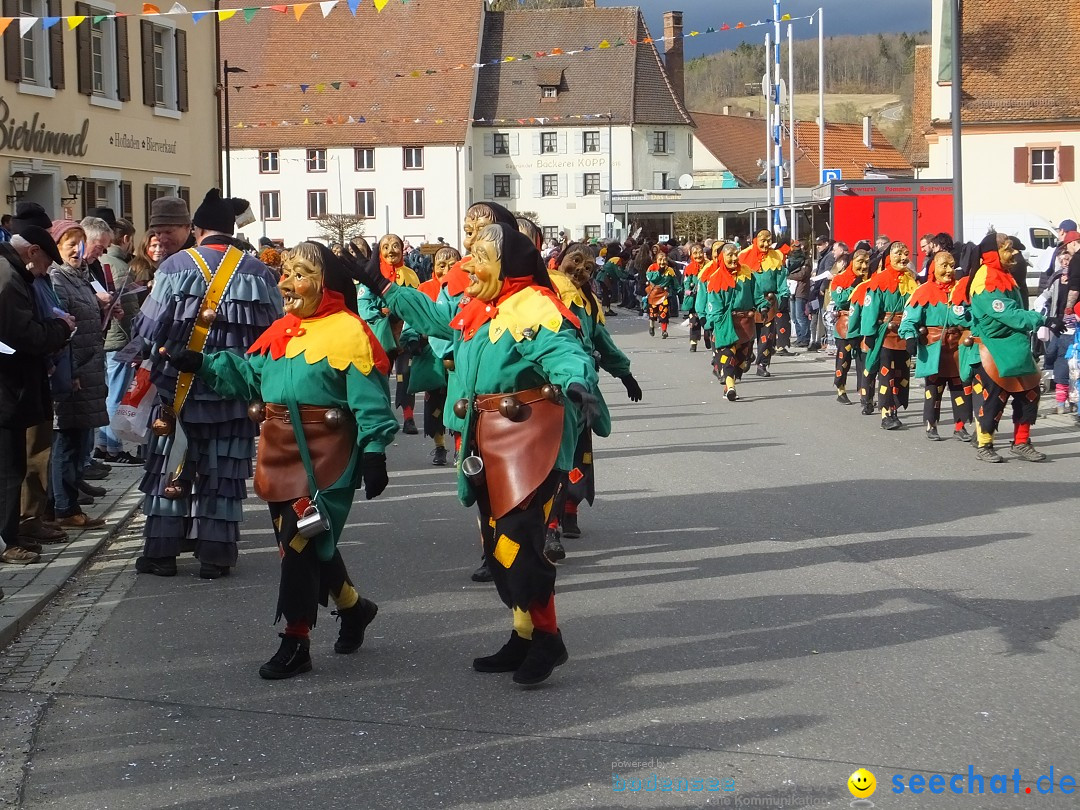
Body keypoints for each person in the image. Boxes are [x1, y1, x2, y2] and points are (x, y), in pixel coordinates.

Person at [355, 222, 599, 686]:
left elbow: (566, 351)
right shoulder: (479, 308)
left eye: (481, 257)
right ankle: (523, 632)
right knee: (496, 542)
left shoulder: (535, 308)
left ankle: (548, 638)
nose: (470, 265)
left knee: (517, 544)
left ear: (508, 265)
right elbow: (432, 319)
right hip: (484, 440)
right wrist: (381, 285)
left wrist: (576, 381)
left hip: (526, 440)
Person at [167, 242, 396, 679]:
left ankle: (296, 640)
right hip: (277, 452)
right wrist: (203, 363)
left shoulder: (349, 332)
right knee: (307, 540)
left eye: (300, 273)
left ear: (324, 282)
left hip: (325, 455)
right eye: (286, 272)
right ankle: (353, 608)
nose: (287, 283)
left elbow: (370, 401)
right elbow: (252, 379)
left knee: (299, 543)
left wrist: (374, 451)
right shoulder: (282, 329)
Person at [125, 190, 282, 578]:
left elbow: (147, 328)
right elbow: (276, 335)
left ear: (197, 230)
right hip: (234, 391)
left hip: (177, 389)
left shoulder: (175, 266)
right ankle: (215, 555)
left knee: (169, 467)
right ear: (231, 231)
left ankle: (161, 555)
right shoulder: (259, 272)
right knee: (223, 473)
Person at [544, 242, 641, 559]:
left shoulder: (589, 303)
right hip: (548, 388)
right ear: (560, 261)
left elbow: (602, 341)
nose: (581, 271)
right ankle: (548, 525)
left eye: (588, 267)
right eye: (576, 262)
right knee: (550, 460)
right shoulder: (544, 293)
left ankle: (567, 513)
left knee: (576, 456)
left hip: (581, 389)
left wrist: (624, 374)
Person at [0, 226, 73, 564]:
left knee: (11, 465)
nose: (46, 270)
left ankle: (10, 536)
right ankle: (6, 541)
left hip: (13, 387)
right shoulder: (8, 278)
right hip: (6, 390)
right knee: (8, 468)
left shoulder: (12, 273)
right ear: (31, 252)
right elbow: (22, 334)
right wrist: (60, 328)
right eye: (46, 261)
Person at [48, 221, 112, 529]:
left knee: (76, 439)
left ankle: (65, 504)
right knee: (66, 442)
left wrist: (106, 312)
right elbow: (63, 330)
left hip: (87, 369)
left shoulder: (81, 277)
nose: (77, 249)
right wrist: (70, 371)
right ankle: (64, 507)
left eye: (80, 243)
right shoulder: (57, 279)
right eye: (70, 244)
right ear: (57, 249)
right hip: (72, 373)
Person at [966, 232, 1046, 462]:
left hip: (1015, 346)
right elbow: (1008, 313)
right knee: (994, 397)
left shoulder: (1004, 275)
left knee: (1030, 393)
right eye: (1008, 249)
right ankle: (984, 444)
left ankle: (1021, 442)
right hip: (994, 347)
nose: (1014, 253)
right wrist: (1040, 319)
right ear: (993, 254)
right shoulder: (985, 281)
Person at [898, 250, 975, 441]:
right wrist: (910, 338)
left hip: (958, 350)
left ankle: (960, 426)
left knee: (961, 388)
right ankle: (931, 425)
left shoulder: (961, 290)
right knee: (934, 389)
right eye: (944, 266)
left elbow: (974, 316)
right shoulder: (923, 291)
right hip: (934, 350)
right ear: (934, 268)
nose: (949, 270)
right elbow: (908, 321)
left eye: (951, 266)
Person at [406, 245, 461, 466]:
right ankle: (439, 447)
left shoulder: (467, 288)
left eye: (452, 265)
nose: (446, 269)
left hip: (459, 355)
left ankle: (460, 446)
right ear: (433, 267)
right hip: (432, 357)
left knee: (460, 402)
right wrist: (411, 339)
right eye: (441, 265)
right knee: (435, 405)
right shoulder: (425, 288)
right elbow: (413, 316)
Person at [96, 218, 142, 464]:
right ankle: (114, 447)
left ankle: (103, 444)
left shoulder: (98, 263)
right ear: (125, 239)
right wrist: (135, 341)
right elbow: (130, 310)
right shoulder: (121, 266)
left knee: (106, 393)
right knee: (116, 394)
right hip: (118, 340)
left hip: (102, 339)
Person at [861, 240, 918, 430]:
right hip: (886, 333)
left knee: (902, 373)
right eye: (898, 254)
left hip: (905, 334)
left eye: (905, 253)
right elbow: (870, 308)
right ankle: (886, 412)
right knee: (886, 373)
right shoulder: (879, 280)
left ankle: (895, 408)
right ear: (888, 257)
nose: (903, 257)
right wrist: (869, 332)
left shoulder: (912, 280)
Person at [703, 242, 756, 401]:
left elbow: (756, 293)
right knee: (727, 354)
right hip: (725, 323)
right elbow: (713, 304)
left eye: (735, 254)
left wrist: (762, 306)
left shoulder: (747, 274)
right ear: (722, 257)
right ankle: (731, 387)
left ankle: (728, 386)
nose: (733, 258)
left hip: (745, 322)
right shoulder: (715, 278)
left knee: (741, 360)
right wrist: (711, 323)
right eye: (729, 255)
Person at [1037, 232, 1079, 414]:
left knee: (1067, 356)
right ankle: (1064, 400)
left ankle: (1069, 402)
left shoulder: (1075, 269)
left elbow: (1074, 290)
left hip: (1070, 319)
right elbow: (1046, 293)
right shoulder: (1056, 277)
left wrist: (1069, 310)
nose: (1065, 263)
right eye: (1062, 260)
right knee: (1059, 353)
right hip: (1059, 319)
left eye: (1067, 260)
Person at [740, 230, 788, 377]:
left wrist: (783, 295)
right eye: (763, 241)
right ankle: (746, 357)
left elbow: (781, 279)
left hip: (769, 301)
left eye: (769, 240)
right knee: (747, 335)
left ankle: (762, 364)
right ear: (755, 240)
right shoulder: (743, 256)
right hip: (749, 303)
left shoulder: (776, 257)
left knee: (766, 337)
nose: (766, 244)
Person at [829, 249, 871, 406]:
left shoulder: (871, 279)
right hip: (846, 324)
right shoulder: (839, 279)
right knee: (843, 359)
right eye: (860, 262)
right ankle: (841, 388)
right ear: (853, 261)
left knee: (864, 360)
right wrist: (854, 287)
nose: (864, 266)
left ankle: (864, 392)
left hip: (864, 324)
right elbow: (840, 300)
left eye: (866, 262)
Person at [645, 247, 680, 338]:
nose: (662, 262)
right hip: (653, 293)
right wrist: (659, 272)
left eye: (664, 260)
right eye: (660, 260)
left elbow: (674, 281)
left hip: (664, 294)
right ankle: (651, 325)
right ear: (656, 260)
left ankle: (664, 331)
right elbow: (651, 278)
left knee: (664, 312)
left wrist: (679, 289)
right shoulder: (652, 268)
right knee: (653, 312)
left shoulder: (670, 270)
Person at [682, 243, 705, 351]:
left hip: (706, 298)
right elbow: (686, 282)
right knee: (694, 321)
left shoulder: (708, 265)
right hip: (694, 298)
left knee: (706, 320)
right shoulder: (689, 268)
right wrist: (689, 291)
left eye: (700, 252)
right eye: (695, 253)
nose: (698, 255)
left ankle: (708, 337)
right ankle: (693, 342)